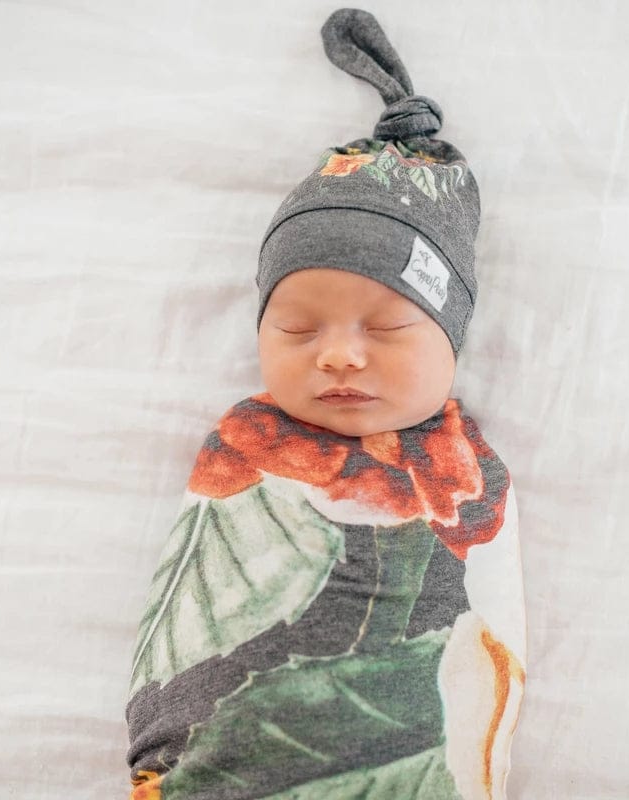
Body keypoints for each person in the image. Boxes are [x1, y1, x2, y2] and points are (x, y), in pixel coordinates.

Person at [125, 9, 526, 799]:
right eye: (297, 328)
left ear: (452, 337)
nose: (338, 354)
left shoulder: (469, 475)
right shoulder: (242, 447)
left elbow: (485, 654)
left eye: (388, 326)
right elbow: (179, 634)